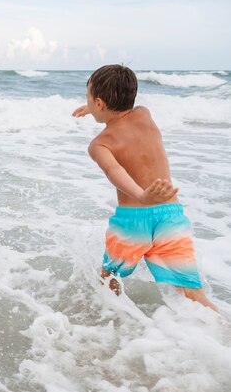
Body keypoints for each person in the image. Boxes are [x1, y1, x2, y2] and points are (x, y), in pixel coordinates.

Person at [72, 64, 217, 311]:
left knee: (109, 277)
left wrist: (141, 195)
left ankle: (114, 322)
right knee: (192, 293)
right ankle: (223, 333)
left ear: (99, 103)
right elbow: (115, 111)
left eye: (88, 98)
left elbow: (114, 171)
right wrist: (93, 109)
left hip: (133, 222)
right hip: (170, 216)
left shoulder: (99, 144)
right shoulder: (144, 114)